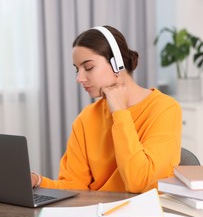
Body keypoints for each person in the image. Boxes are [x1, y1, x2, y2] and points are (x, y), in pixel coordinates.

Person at [31, 25, 182, 193]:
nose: (79, 78)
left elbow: (139, 183)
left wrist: (120, 113)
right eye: (77, 69)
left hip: (144, 216)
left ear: (117, 64)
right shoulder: (87, 118)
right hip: (96, 215)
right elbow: (73, 187)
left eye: (88, 67)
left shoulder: (164, 109)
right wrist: (37, 181)